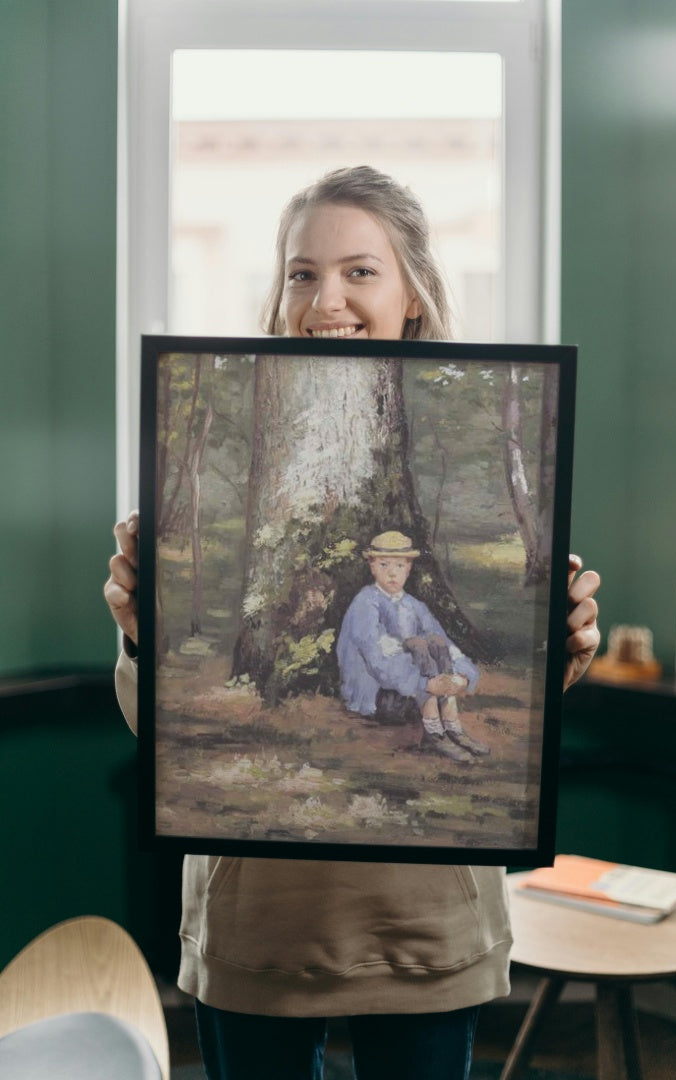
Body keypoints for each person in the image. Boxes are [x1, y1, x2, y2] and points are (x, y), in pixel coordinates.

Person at [105, 166, 601, 1080]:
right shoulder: (229, 436)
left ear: (412, 292)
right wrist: (142, 635)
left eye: (359, 272)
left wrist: (558, 650)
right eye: (301, 273)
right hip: (258, 925)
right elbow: (161, 733)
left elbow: (517, 705)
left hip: (425, 923)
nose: (324, 298)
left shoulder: (490, 432)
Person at [337, 529, 490, 764]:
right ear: (372, 566)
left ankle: (452, 728)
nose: (391, 573)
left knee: (435, 643)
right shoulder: (366, 604)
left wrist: (462, 676)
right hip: (378, 694)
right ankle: (434, 734)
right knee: (418, 646)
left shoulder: (413, 605)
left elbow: (442, 640)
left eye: (399, 566)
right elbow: (380, 663)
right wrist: (426, 683)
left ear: (409, 567)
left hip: (411, 688)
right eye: (384, 564)